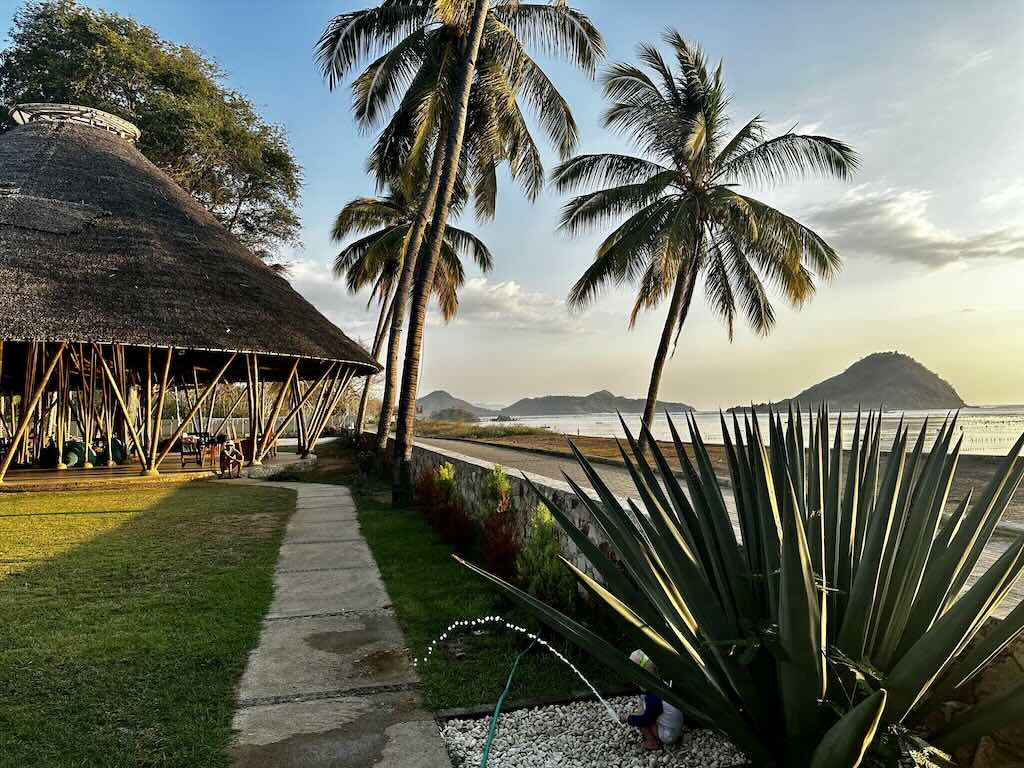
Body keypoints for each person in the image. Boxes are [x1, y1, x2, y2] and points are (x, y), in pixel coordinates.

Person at [621, 649, 684, 750]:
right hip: (677, 729)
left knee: (641, 716)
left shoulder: (653, 695)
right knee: (644, 708)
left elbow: (645, 719)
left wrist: (629, 718)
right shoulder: (664, 684)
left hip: (668, 736)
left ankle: (652, 742)